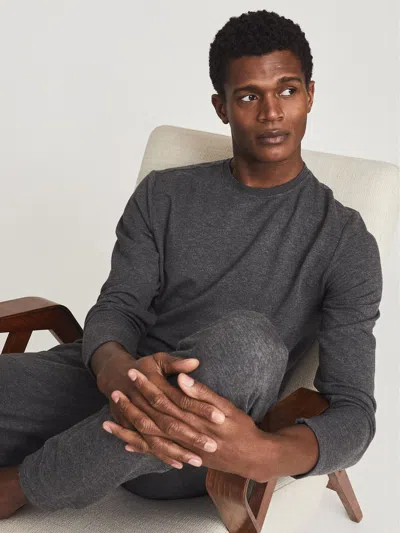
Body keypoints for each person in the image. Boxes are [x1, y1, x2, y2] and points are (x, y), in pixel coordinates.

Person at [0, 9, 382, 519]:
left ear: (310, 95)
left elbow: (354, 411)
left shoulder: (345, 240)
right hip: (121, 382)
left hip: (199, 440)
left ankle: (22, 485)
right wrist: (116, 371)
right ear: (221, 106)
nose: (271, 112)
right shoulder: (164, 194)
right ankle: (85, 454)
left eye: (287, 90)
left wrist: (264, 453)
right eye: (248, 96)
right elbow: (118, 308)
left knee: (249, 345)